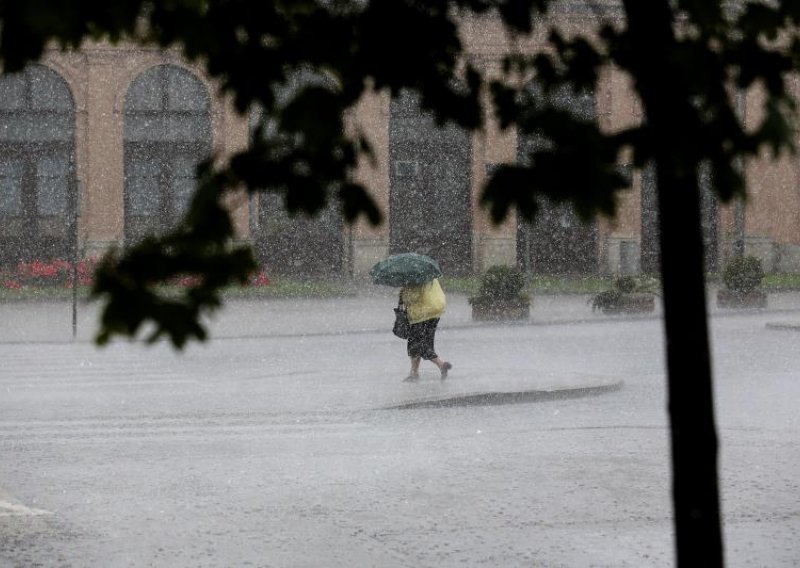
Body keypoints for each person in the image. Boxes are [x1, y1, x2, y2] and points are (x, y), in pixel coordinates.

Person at [399, 277, 453, 382]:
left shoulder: (414, 278)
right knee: (425, 341)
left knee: (416, 344)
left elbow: (412, 298)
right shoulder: (430, 275)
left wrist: (403, 293)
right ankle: (414, 372)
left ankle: (441, 364)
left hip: (420, 315)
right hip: (434, 313)